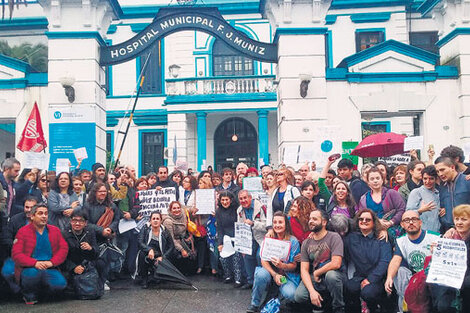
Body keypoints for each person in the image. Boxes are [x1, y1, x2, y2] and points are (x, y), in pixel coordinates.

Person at [11, 203, 68, 304]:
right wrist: (34, 263)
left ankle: (43, 295)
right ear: (32, 216)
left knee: (60, 284)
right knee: (31, 276)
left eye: (46, 213)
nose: (44, 216)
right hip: (30, 268)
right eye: (40, 213)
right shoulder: (22, 232)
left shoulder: (55, 230)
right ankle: (29, 295)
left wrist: (52, 262)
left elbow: (63, 249)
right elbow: (16, 254)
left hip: (49, 267)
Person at [384, 210, 440, 313]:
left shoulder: (435, 238)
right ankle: (405, 309)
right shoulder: (401, 241)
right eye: (406, 220)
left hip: (429, 276)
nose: (410, 223)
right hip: (412, 277)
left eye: (414, 219)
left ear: (420, 222)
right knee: (400, 272)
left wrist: (437, 252)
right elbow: (396, 259)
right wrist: (389, 277)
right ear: (402, 224)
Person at [247, 212, 300, 313]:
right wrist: (274, 274)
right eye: (275, 222)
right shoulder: (269, 238)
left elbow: (293, 266)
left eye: (280, 222)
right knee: (260, 274)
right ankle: (255, 304)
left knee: (291, 294)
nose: (277, 225)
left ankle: (278, 297)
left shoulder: (293, 241)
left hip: (285, 276)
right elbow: (263, 260)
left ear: (286, 224)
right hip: (271, 274)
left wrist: (282, 265)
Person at [294, 210, 345, 313]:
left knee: (331, 276)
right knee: (299, 296)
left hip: (332, 274)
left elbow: (336, 263)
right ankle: (318, 305)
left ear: (324, 222)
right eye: (310, 219)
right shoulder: (306, 242)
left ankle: (338, 308)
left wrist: (317, 272)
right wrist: (312, 291)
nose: (311, 221)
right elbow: (304, 270)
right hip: (314, 277)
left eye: (315, 219)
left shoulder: (334, 237)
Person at [344, 209, 393, 313]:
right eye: (361, 219)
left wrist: (370, 279)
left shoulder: (381, 238)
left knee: (368, 293)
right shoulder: (351, 238)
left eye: (368, 219)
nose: (364, 221)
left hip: (377, 278)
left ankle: (375, 308)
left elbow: (385, 261)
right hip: (359, 276)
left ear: (373, 222)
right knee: (348, 287)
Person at [428, 204, 470, 313]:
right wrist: (436, 252)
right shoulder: (448, 237)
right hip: (449, 279)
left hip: (466, 280)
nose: (459, 222)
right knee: (442, 305)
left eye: (464, 219)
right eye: (457, 219)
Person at [61, 210, 106, 295]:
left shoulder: (90, 232)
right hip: (72, 262)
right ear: (70, 221)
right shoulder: (64, 234)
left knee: (101, 263)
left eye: (81, 221)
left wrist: (90, 248)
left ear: (85, 223)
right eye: (74, 220)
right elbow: (63, 257)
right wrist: (73, 267)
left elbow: (96, 252)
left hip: (86, 262)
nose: (77, 223)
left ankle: (99, 287)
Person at [357, 167, 406, 241]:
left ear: (382, 180)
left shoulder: (391, 193)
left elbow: (402, 209)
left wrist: (391, 222)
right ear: (368, 182)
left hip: (392, 229)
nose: (375, 181)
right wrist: (378, 222)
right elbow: (361, 215)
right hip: (372, 230)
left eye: (377, 178)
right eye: (372, 179)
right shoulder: (364, 199)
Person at [1, 196, 37, 294]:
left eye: (32, 207)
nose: (29, 210)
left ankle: (30, 291)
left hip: (36, 257)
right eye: (26, 207)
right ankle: (18, 291)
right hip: (16, 255)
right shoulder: (15, 219)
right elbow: (6, 238)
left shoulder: (43, 220)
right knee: (7, 272)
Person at [136, 211, 175, 288]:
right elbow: (140, 242)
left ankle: (157, 275)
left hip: (160, 255)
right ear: (150, 220)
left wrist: (163, 257)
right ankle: (144, 279)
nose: (155, 220)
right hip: (148, 254)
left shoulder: (165, 231)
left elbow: (171, 246)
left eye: (158, 218)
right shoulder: (145, 228)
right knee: (141, 254)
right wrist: (149, 249)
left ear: (161, 221)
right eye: (153, 218)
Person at [237, 190, 267, 289]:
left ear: (250, 198)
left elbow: (267, 225)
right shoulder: (239, 210)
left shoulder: (261, 207)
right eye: (241, 199)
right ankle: (251, 281)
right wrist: (242, 245)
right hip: (249, 238)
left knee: (259, 256)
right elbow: (240, 227)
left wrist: (253, 223)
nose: (243, 200)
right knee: (246, 255)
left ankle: (262, 281)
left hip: (262, 238)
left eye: (245, 198)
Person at [435, 156, 470, 232]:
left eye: (442, 170)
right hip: (449, 231)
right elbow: (443, 207)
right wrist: (443, 218)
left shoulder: (467, 181)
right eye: (437, 171)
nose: (440, 174)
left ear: (452, 167)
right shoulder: (442, 187)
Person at [216, 191, 243, 287]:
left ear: (231, 200)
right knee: (222, 257)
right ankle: (228, 275)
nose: (224, 202)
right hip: (225, 237)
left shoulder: (237, 209)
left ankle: (238, 279)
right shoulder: (218, 211)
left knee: (236, 257)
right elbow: (219, 228)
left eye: (226, 200)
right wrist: (220, 243)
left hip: (237, 237)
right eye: (222, 200)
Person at [163, 201, 195, 275]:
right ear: (170, 210)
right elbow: (171, 239)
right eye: (174, 208)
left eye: (178, 208)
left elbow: (188, 209)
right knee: (179, 254)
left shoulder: (183, 213)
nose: (177, 210)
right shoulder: (168, 221)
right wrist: (182, 249)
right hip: (172, 243)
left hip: (183, 238)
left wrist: (193, 209)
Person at [406, 165, 441, 232]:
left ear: (436, 179)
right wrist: (420, 210)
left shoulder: (439, 193)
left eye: (431, 178)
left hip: (437, 233)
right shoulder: (416, 192)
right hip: (421, 233)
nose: (427, 182)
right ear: (422, 178)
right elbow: (408, 214)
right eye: (425, 178)